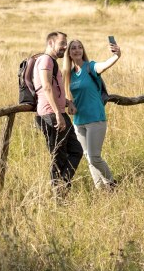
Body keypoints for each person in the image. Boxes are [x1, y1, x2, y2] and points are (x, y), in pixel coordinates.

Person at [63, 38, 121, 190]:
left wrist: (116, 55)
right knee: (88, 158)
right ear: (69, 53)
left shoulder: (91, 67)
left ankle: (111, 185)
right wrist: (70, 103)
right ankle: (100, 189)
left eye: (80, 47)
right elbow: (69, 96)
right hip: (78, 121)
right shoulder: (68, 74)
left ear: (83, 51)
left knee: (95, 157)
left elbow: (104, 66)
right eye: (73, 48)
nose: (77, 50)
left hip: (95, 118)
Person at [33, 31, 84, 197]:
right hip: (50, 114)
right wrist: (57, 113)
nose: (65, 47)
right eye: (62, 43)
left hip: (58, 112)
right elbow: (47, 87)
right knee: (59, 156)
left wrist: (67, 103)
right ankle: (59, 194)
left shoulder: (52, 62)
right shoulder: (46, 60)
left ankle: (62, 187)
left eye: (65, 44)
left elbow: (54, 88)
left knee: (75, 150)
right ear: (50, 43)